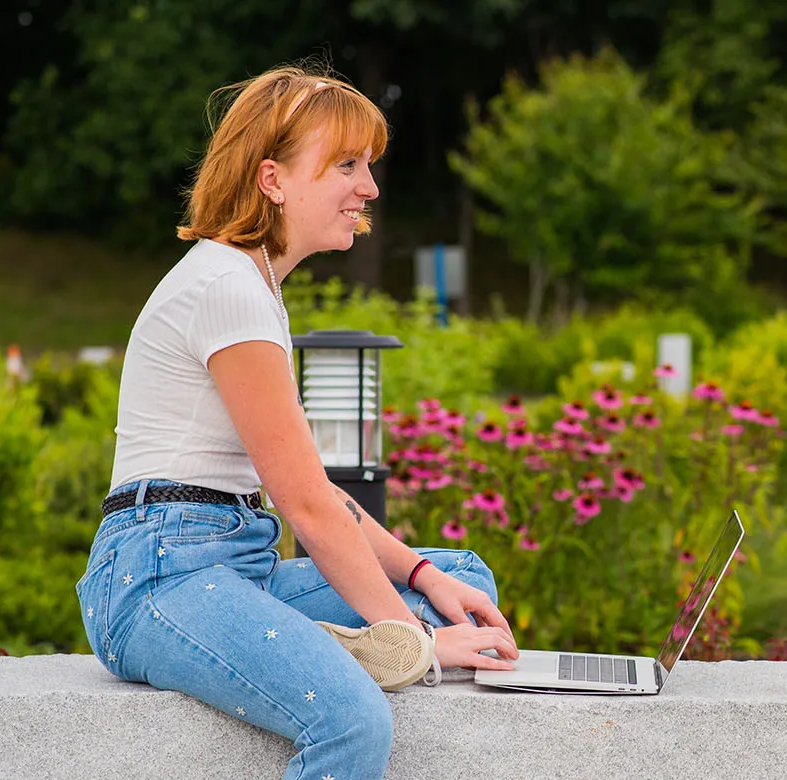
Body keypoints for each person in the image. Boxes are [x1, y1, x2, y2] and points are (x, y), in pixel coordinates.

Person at [74, 64, 519, 778]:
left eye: (368, 165)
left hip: (234, 565)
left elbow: (313, 494)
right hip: (158, 579)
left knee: (463, 582)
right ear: (273, 179)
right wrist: (410, 640)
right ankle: (337, 649)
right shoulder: (225, 287)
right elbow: (308, 507)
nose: (369, 188)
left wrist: (425, 574)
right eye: (346, 164)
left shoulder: (250, 284)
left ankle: (320, 640)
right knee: (350, 721)